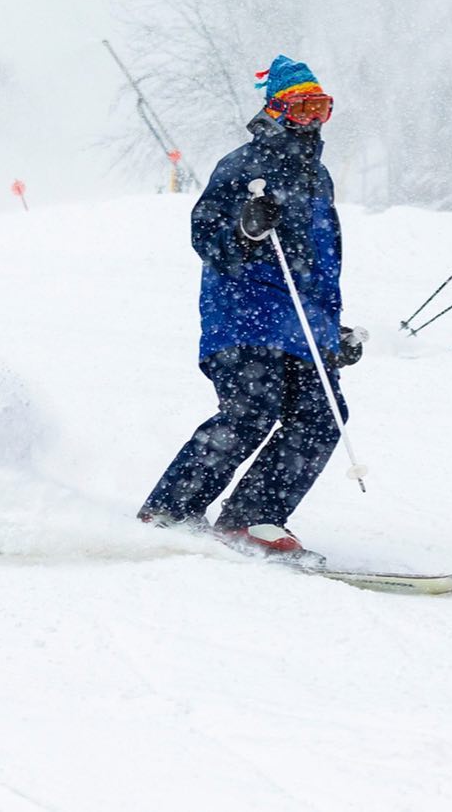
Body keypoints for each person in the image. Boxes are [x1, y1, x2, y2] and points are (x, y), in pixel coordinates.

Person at [137, 54, 362, 558]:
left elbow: (320, 265)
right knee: (250, 409)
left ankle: (252, 517)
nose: (311, 119)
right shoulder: (245, 165)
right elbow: (205, 235)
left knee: (324, 414)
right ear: (276, 109)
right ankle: (170, 510)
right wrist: (245, 230)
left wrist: (331, 330)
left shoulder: (318, 178)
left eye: (320, 108)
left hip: (302, 324)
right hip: (247, 315)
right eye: (301, 108)